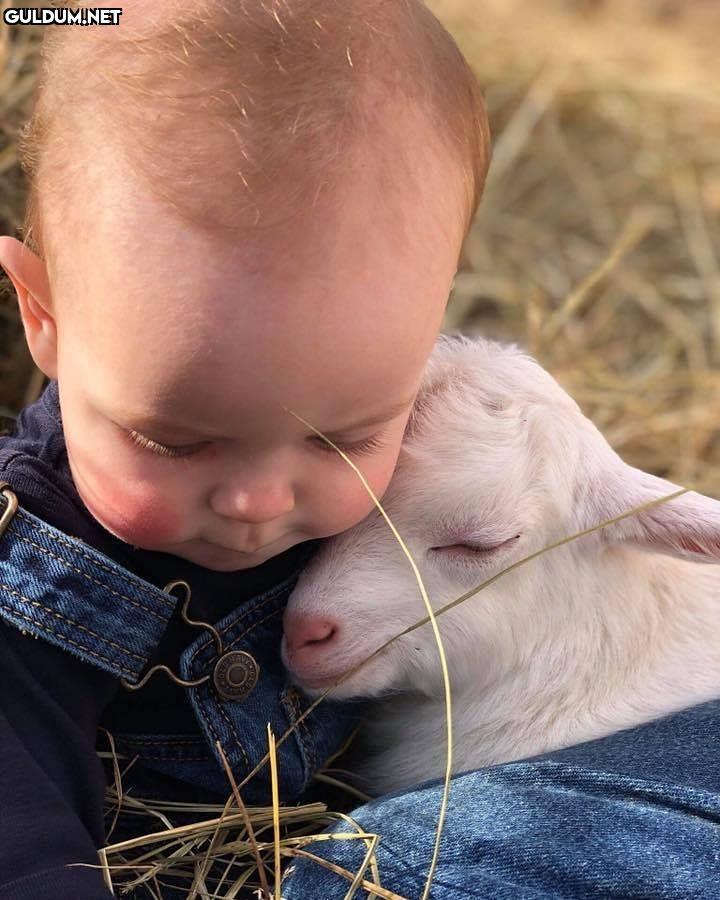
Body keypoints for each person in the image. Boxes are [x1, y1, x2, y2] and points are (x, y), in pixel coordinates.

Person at [0, 1, 490, 897]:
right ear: (44, 318)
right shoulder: (28, 582)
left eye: (345, 437)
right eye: (173, 440)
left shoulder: (450, 452)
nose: (260, 503)